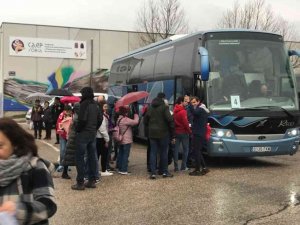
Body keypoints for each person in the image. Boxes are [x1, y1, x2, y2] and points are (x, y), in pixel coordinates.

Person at [0, 118, 57, 224]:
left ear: (15, 144)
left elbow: (48, 205)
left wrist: (17, 210)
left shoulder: (35, 166)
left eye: (0, 146)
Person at [71, 87, 102, 190]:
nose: (81, 95)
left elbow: (82, 119)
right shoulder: (95, 104)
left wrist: (78, 130)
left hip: (83, 134)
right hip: (92, 134)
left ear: (85, 94)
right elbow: (100, 119)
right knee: (92, 157)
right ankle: (92, 181)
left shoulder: (84, 104)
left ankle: (80, 182)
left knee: (79, 158)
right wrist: (94, 128)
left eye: (82, 93)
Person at [144, 92, 175, 179]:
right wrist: (172, 134)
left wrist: (150, 127)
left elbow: (145, 120)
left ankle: (153, 173)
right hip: (163, 133)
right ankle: (165, 172)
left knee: (153, 153)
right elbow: (170, 120)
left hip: (152, 133)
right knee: (164, 152)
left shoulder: (150, 107)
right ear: (163, 99)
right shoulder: (164, 108)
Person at [189, 96, 209, 176]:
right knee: (198, 151)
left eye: (194, 102)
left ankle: (197, 170)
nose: (193, 104)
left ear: (198, 102)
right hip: (200, 132)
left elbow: (195, 113)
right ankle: (204, 168)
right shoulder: (201, 108)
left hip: (198, 133)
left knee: (197, 151)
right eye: (192, 102)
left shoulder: (200, 109)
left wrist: (190, 105)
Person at [116, 106, 139, 175]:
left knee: (121, 154)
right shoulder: (125, 119)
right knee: (125, 155)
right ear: (125, 112)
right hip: (126, 140)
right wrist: (136, 115)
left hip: (121, 139)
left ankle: (120, 168)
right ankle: (124, 170)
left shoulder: (119, 119)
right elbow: (135, 122)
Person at [173, 96, 192, 172]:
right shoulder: (183, 111)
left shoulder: (175, 110)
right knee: (186, 149)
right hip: (184, 132)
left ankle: (176, 167)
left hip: (176, 132)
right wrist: (190, 131)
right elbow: (185, 123)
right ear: (181, 102)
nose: (187, 102)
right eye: (185, 101)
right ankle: (183, 166)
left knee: (176, 150)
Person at [96, 102, 113, 176]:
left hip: (100, 137)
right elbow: (102, 128)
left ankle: (100, 170)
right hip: (101, 138)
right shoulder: (102, 116)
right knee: (103, 155)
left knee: (100, 155)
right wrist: (107, 139)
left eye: (107, 106)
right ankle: (103, 170)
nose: (107, 108)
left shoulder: (105, 115)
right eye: (105, 106)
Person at [56, 105, 73, 179]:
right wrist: (63, 129)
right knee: (63, 150)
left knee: (68, 151)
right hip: (63, 136)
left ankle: (66, 165)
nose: (68, 112)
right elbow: (58, 125)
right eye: (67, 111)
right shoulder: (61, 115)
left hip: (69, 136)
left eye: (69, 111)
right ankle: (61, 165)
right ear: (65, 110)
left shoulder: (72, 115)